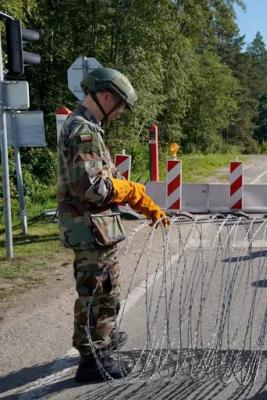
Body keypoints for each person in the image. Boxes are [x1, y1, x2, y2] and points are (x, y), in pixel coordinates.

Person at [57, 67, 168, 382]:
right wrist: (130, 191)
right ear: (105, 96)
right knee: (96, 291)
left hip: (95, 227)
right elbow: (93, 187)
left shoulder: (88, 127)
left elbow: (107, 178)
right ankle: (93, 359)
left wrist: (141, 201)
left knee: (106, 289)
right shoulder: (84, 131)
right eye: (119, 105)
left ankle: (102, 338)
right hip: (89, 227)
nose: (119, 112)